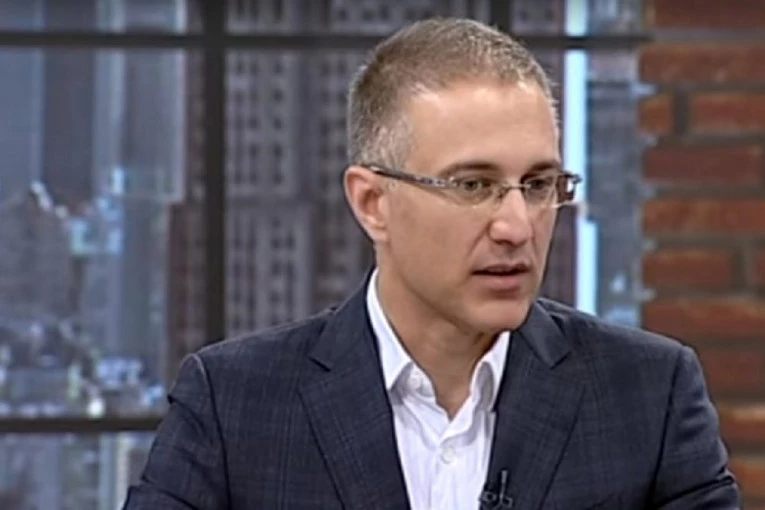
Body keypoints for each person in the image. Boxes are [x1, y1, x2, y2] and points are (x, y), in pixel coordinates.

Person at [123, 17, 740, 510]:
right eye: (473, 186)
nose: (516, 226)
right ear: (373, 203)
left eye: (537, 184)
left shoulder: (649, 393)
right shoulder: (234, 403)